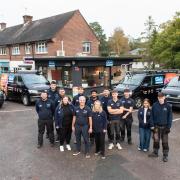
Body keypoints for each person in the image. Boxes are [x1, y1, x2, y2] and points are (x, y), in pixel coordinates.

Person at [149, 92, 173, 162]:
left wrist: (169, 127)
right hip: (156, 127)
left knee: (165, 142)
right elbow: (151, 116)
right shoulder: (154, 105)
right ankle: (155, 152)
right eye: (159, 98)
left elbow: (170, 117)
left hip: (165, 127)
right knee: (156, 140)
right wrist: (152, 125)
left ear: (164, 97)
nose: (160, 99)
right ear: (158, 98)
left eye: (162, 98)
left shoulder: (168, 106)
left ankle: (165, 155)